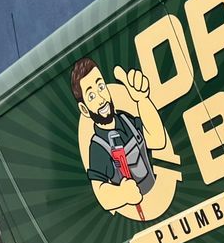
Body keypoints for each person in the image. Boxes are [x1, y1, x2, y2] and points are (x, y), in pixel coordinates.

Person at [72, 56, 180, 222]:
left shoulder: (126, 120)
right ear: (84, 109)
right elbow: (101, 192)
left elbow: (158, 139)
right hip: (143, 215)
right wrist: (122, 194)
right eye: (91, 96)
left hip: (158, 200)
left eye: (101, 87)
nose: (101, 98)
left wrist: (142, 100)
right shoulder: (98, 147)